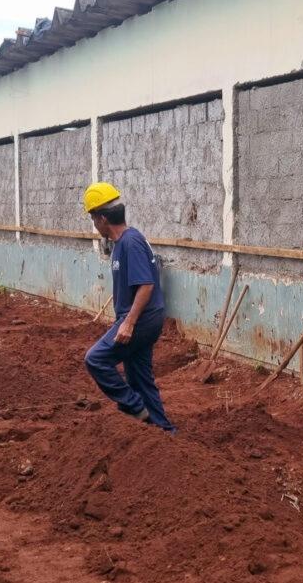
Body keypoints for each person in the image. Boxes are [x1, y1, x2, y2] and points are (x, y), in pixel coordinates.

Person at [82, 182, 175, 432]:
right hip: (145, 317)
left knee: (96, 359)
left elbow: (146, 285)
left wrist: (128, 323)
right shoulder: (123, 242)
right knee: (140, 378)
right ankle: (163, 431)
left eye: (93, 219)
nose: (94, 225)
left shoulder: (130, 243)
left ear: (103, 219)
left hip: (141, 319)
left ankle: (134, 407)